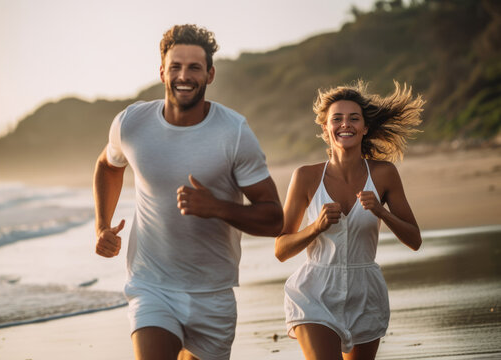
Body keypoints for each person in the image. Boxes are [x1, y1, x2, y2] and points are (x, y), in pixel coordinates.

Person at [93, 24, 283, 360]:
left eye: (195, 67)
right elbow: (108, 166)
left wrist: (218, 207)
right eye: (176, 66)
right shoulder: (132, 123)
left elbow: (273, 218)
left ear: (210, 74)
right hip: (152, 285)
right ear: (162, 71)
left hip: (214, 293)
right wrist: (102, 226)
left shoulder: (233, 132)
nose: (184, 75)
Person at [274, 81, 424, 360]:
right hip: (315, 293)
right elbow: (281, 249)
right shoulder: (305, 177)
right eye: (337, 119)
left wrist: (381, 212)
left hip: (365, 293)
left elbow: (414, 240)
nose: (346, 124)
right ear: (325, 128)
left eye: (354, 118)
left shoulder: (384, 174)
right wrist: (316, 227)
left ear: (365, 128)